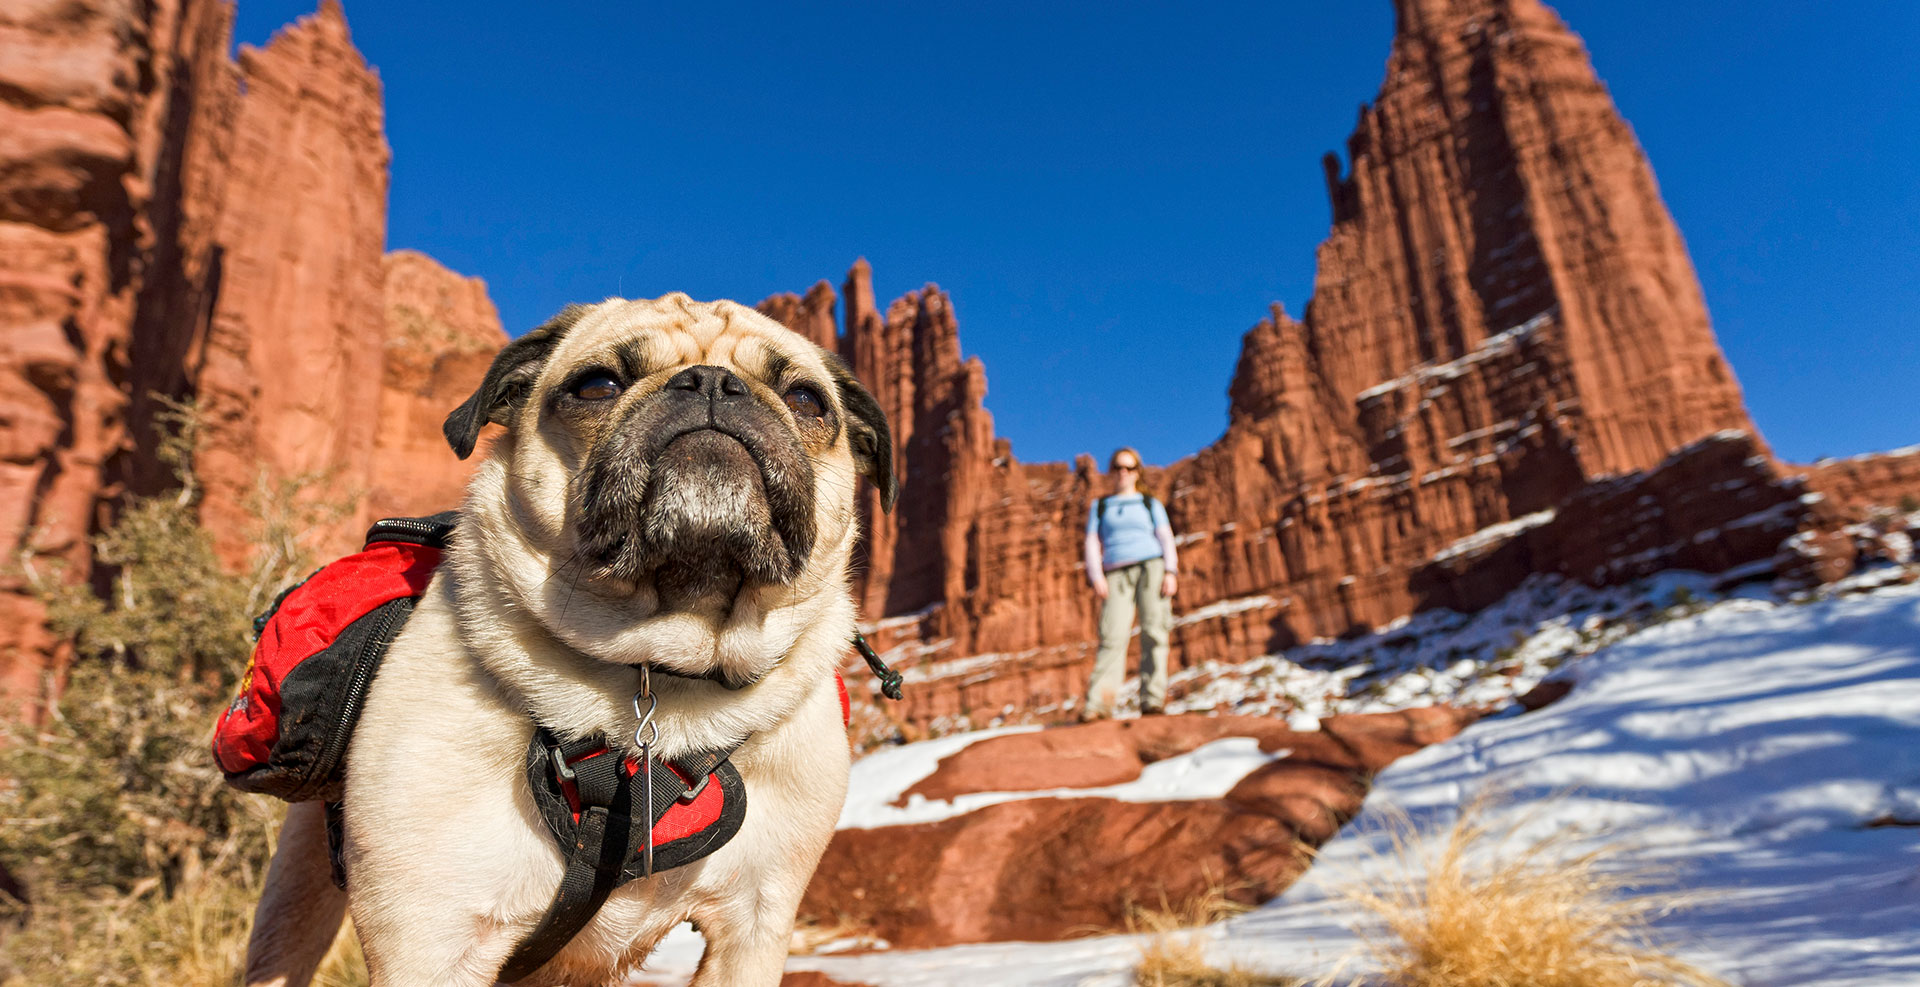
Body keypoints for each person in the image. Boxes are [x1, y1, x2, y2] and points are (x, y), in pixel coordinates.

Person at [1082, 446, 1179, 719]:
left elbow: (1165, 537)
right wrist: (1096, 576)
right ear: (1111, 471)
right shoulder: (1100, 506)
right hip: (1115, 574)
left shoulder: (1150, 504)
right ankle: (1099, 706)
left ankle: (1152, 700)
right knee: (1112, 636)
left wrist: (1171, 571)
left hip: (1152, 567)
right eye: (1117, 467)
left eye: (1129, 467)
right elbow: (1091, 543)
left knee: (1155, 632)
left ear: (1137, 473)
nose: (1123, 473)